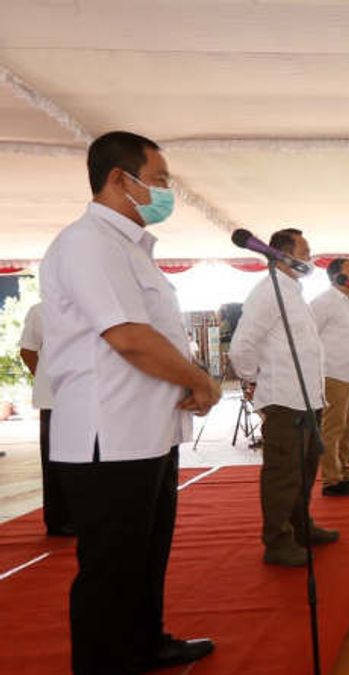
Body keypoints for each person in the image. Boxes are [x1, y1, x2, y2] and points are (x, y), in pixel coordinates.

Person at [39, 131, 219, 673]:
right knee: (110, 569)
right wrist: (202, 381)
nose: (166, 193)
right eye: (159, 181)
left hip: (146, 431)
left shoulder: (130, 247)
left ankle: (146, 642)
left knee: (146, 556)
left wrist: (188, 380)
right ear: (121, 179)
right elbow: (129, 336)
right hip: (107, 436)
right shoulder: (89, 242)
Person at [230, 229, 341, 566]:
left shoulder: (294, 293)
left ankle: (301, 528)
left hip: (307, 400)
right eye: (304, 251)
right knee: (283, 475)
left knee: (306, 471)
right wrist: (254, 381)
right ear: (284, 254)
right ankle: (277, 542)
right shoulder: (268, 292)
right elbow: (242, 348)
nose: (310, 257)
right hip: (283, 401)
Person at [309, 258, 349, 496]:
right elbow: (308, 335)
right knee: (333, 428)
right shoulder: (323, 302)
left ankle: (346, 472)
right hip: (334, 374)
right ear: (338, 276)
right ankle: (331, 480)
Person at [18, 302, 74, 536]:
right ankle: (58, 520)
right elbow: (27, 350)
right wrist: (45, 376)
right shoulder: (39, 311)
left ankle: (85, 516)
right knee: (53, 463)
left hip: (88, 399)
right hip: (52, 400)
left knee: (85, 462)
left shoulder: (90, 306)